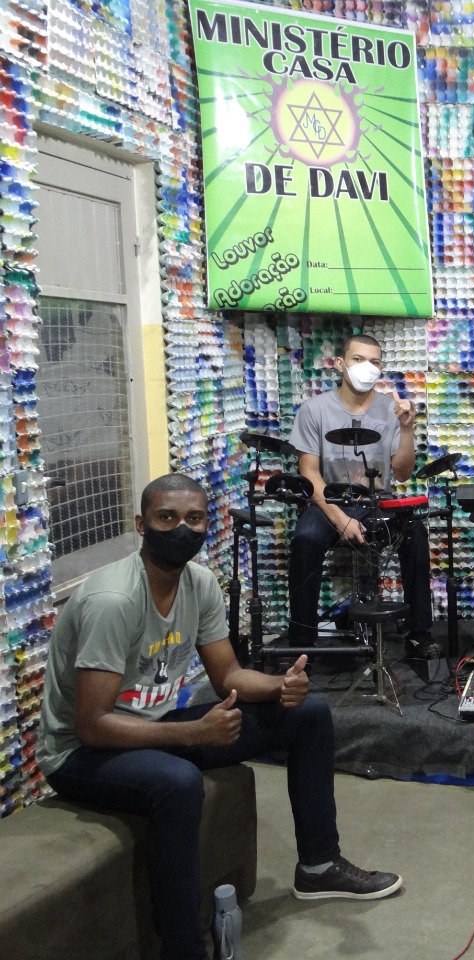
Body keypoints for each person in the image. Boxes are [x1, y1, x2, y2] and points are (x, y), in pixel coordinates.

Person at [37, 475, 401, 960]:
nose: (182, 529)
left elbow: (228, 674)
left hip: (157, 725)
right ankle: (184, 949)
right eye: (167, 518)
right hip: (81, 754)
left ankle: (318, 867)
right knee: (178, 783)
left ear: (208, 524)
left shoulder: (200, 582)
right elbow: (92, 725)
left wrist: (279, 686)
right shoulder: (113, 601)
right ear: (141, 525)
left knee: (309, 715)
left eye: (194, 518)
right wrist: (193, 732)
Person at [287, 333, 433, 653]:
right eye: (358, 359)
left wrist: (407, 428)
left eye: (374, 362)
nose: (367, 367)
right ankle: (301, 641)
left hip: (378, 500)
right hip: (329, 501)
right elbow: (309, 472)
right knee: (305, 539)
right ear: (340, 364)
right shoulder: (314, 409)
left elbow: (402, 472)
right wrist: (339, 518)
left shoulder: (391, 409)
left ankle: (419, 633)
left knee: (415, 534)